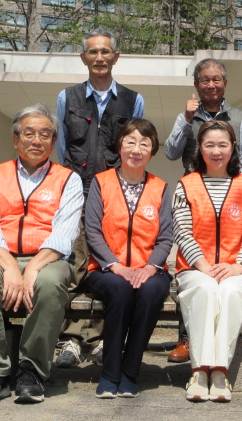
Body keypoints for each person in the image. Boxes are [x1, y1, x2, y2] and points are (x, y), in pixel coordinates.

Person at [0, 104, 83, 406]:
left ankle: (32, 371)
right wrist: (12, 269)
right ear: (16, 140)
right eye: (28, 133)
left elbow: (63, 236)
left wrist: (32, 269)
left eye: (45, 134)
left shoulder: (69, 179)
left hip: (50, 259)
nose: (36, 140)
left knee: (50, 284)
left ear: (53, 142)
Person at [54, 28, 144, 368]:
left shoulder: (133, 100)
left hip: (113, 194)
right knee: (76, 264)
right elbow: (62, 148)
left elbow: (132, 148)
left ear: (115, 57)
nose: (100, 58)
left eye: (106, 52)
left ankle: (103, 338)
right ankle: (72, 340)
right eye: (93, 52)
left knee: (110, 265)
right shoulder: (68, 98)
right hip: (77, 192)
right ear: (84, 58)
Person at [164, 58, 242, 363]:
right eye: (205, 79)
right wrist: (185, 118)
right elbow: (170, 152)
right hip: (196, 195)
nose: (211, 84)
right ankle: (188, 339)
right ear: (196, 84)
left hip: (230, 195)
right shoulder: (187, 116)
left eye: (217, 79)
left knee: (229, 276)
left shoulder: (240, 116)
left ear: (225, 84)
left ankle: (230, 340)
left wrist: (232, 186)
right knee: (195, 270)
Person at [84, 119, 173, 398]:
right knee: (120, 290)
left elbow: (166, 236)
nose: (136, 149)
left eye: (144, 144)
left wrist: (149, 267)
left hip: (150, 269)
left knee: (151, 292)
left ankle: (130, 371)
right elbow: (93, 229)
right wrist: (116, 266)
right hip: (105, 269)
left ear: (152, 151)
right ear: (120, 146)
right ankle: (110, 373)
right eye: (130, 142)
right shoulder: (101, 182)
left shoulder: (160, 187)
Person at [172, 121, 242, 402]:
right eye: (210, 144)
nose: (216, 151)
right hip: (195, 268)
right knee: (206, 290)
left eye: (223, 144)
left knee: (232, 292)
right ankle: (199, 370)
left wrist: (238, 266)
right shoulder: (186, 184)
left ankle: (220, 370)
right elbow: (182, 230)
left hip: (236, 268)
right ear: (200, 148)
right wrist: (204, 267)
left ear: (233, 147)